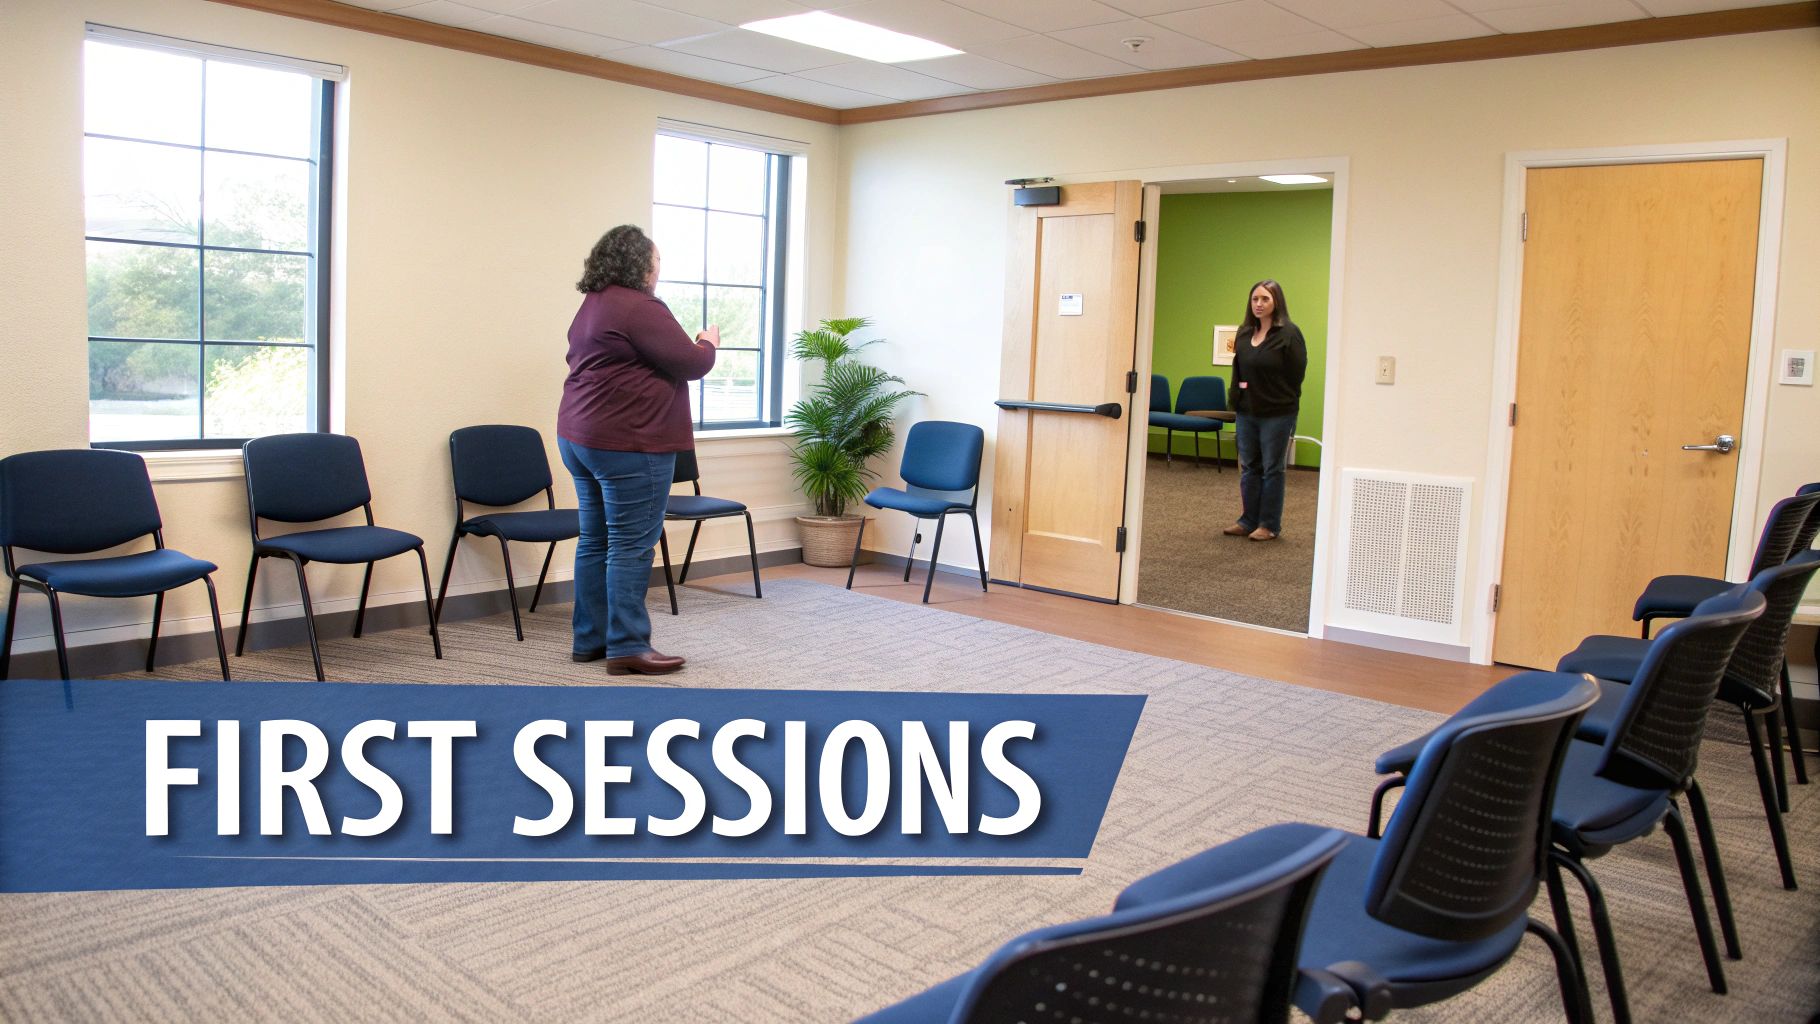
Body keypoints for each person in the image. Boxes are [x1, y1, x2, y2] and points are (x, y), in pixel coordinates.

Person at [557, 225, 718, 675]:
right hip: (628, 444)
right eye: (657, 262)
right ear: (642, 265)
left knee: (596, 540)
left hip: (579, 438)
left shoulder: (593, 303)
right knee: (630, 546)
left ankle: (590, 640)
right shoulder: (639, 306)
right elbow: (692, 362)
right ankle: (627, 645)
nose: (658, 270)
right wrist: (709, 341)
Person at [1222, 279, 1307, 542]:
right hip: (1247, 411)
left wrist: (1278, 398)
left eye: (1265, 299)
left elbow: (1296, 374)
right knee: (1249, 467)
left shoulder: (1289, 334)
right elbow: (1239, 370)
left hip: (1278, 413)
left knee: (1272, 468)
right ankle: (1248, 520)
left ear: (1276, 302)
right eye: (1255, 299)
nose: (1259, 304)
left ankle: (1269, 524)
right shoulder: (1245, 333)